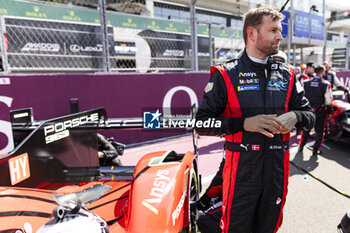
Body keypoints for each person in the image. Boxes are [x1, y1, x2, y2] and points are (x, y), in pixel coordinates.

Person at [195, 6, 315, 233]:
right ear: (252, 33)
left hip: (276, 171)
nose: (280, 36)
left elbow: (310, 117)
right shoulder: (225, 73)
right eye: (273, 30)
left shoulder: (288, 73)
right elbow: (201, 123)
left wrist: (296, 115)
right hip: (241, 173)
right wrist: (243, 124)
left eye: (280, 30)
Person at [298, 65, 333, 157]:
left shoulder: (305, 82)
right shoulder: (326, 83)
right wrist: (329, 112)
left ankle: (301, 147)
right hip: (320, 111)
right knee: (319, 131)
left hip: (308, 109)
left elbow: (301, 96)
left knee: (306, 129)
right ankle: (315, 150)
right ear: (323, 72)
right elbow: (328, 100)